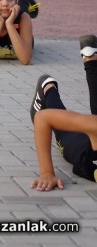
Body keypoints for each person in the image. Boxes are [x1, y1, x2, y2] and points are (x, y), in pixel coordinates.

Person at [29, 35, 97, 191]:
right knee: (63, 132)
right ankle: (48, 89)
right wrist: (47, 173)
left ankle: (90, 60)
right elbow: (43, 118)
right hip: (82, 151)